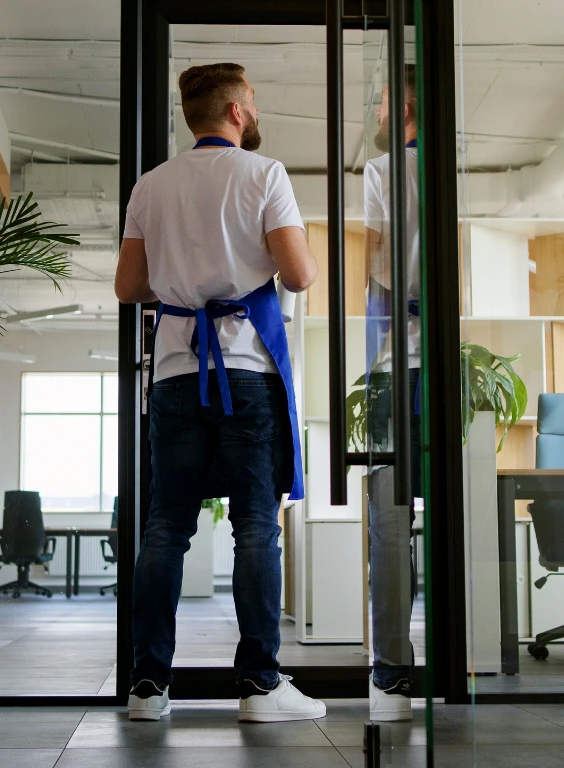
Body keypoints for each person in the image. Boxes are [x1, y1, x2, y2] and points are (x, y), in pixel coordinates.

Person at [115, 62, 325, 724]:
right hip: (245, 370)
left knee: (166, 527)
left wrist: (185, 282)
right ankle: (260, 687)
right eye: (253, 103)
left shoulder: (151, 185)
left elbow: (128, 288)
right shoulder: (265, 176)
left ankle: (148, 687)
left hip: (176, 370)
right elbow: (299, 275)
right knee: (256, 525)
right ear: (236, 112)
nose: (255, 112)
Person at [362, 64, 421, 722]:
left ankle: (394, 662)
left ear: (405, 108)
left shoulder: (382, 174)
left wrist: (370, 344)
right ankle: (466, 656)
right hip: (439, 361)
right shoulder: (446, 170)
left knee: (389, 519)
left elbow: (374, 266)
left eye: (381, 103)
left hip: (391, 363)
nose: (376, 113)